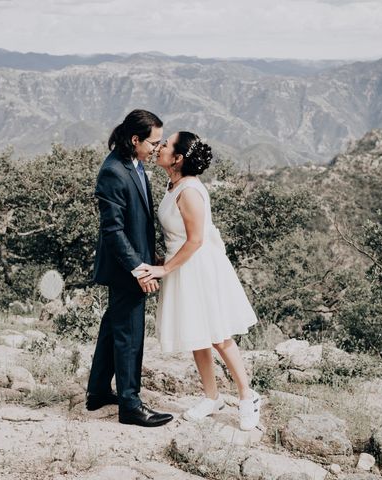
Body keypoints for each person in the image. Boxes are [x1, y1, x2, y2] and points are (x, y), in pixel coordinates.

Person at [137, 131, 261, 431]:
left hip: (197, 267)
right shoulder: (172, 184)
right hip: (181, 266)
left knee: (218, 335)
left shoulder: (190, 191)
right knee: (197, 334)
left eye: (165, 145)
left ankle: (247, 397)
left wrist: (165, 270)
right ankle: (211, 396)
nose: (160, 147)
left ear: (177, 158)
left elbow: (195, 241)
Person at [87, 109, 173, 428]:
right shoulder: (113, 171)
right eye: (154, 143)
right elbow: (113, 230)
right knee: (130, 334)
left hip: (136, 261)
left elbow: (139, 223)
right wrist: (140, 268)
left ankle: (97, 393)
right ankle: (131, 405)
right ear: (135, 140)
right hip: (126, 268)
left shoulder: (134, 163)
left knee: (114, 327)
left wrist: (152, 258)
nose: (157, 149)